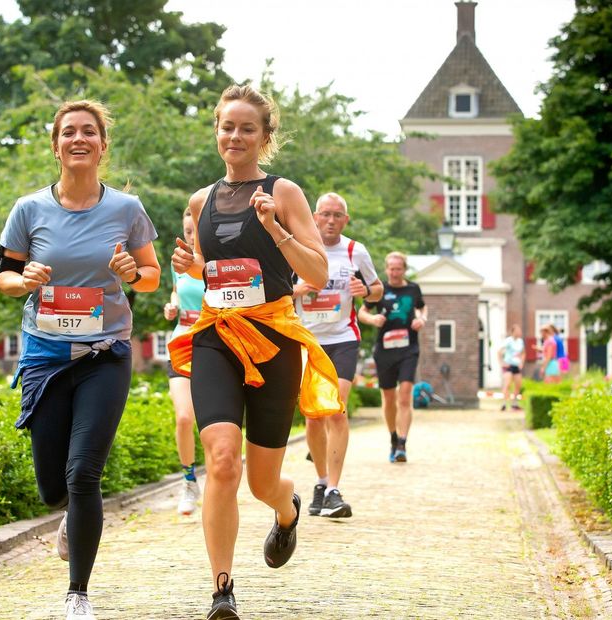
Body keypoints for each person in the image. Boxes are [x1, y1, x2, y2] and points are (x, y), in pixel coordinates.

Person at [168, 84, 341, 620]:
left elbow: (317, 272)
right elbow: (210, 272)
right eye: (227, 126)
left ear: (265, 137)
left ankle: (286, 511)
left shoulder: (284, 192)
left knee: (262, 480)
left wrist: (275, 230)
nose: (235, 136)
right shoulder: (200, 202)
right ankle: (222, 589)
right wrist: (190, 267)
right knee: (222, 459)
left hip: (274, 339)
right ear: (216, 132)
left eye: (247, 128)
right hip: (217, 335)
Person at [0, 100, 160, 620]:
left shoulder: (127, 209)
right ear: (55, 144)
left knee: (83, 472)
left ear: (103, 145)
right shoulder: (28, 210)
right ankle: (72, 516)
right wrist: (27, 281)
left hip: (105, 353)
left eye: (89, 131)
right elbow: (2, 278)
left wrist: (131, 272)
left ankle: (77, 594)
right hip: (45, 355)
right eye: (69, 132)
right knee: (51, 487)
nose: (79, 139)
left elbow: (152, 277)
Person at [292, 192, 382, 519]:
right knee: (313, 417)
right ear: (314, 217)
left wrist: (366, 292)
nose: (330, 221)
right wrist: (296, 291)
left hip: (343, 338)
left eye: (337, 215)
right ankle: (320, 482)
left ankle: (333, 489)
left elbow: (376, 288)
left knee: (335, 411)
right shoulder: (299, 248)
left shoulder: (354, 251)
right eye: (325, 214)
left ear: (345, 220)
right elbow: (274, 294)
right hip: (307, 341)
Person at [358, 251, 426, 463]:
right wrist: (373, 319)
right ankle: (393, 438)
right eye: (391, 269)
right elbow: (362, 312)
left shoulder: (413, 289)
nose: (395, 273)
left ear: (404, 269)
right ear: (386, 269)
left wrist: (421, 319)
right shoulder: (379, 290)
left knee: (405, 394)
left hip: (409, 348)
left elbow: (422, 308)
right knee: (388, 398)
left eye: (398, 269)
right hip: (385, 350)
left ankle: (403, 444)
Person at [163, 206, 205, 515]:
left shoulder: (219, 262)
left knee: (213, 426)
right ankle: (189, 480)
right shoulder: (179, 261)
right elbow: (178, 291)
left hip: (215, 346)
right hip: (181, 343)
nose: (190, 237)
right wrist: (172, 305)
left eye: (195, 231)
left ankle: (220, 478)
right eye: (187, 231)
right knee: (183, 418)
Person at [498, 324, 525, 410]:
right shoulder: (508, 341)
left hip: (516, 366)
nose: (519, 332)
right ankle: (504, 403)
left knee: (518, 385)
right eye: (517, 330)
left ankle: (514, 403)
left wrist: (522, 363)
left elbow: (523, 353)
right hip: (508, 365)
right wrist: (502, 363)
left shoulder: (520, 341)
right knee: (507, 384)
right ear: (513, 331)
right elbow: (499, 352)